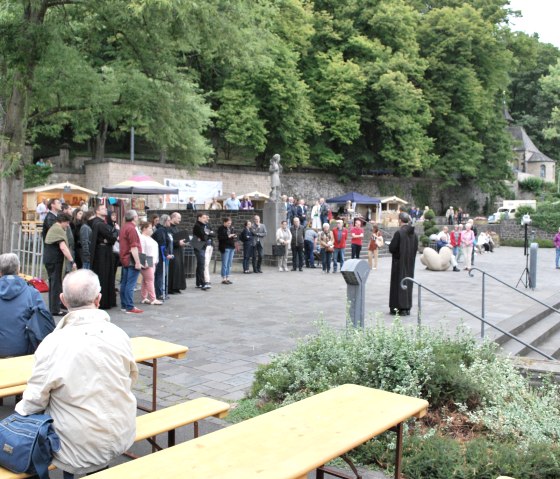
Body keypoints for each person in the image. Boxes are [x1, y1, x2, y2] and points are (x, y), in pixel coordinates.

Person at [15, 269, 138, 477]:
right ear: (98, 299)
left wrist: (16, 417)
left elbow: (34, 401)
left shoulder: (53, 344)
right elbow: (131, 379)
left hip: (75, 447)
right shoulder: (120, 335)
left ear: (62, 300)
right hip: (122, 434)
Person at [0, 253, 54, 357]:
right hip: (24, 351)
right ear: (19, 270)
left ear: (0, 272)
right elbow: (45, 323)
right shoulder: (33, 293)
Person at [44, 213, 77, 316]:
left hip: (50, 260)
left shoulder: (54, 228)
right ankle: (55, 309)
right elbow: (63, 247)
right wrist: (71, 261)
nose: (67, 225)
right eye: (67, 223)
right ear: (62, 221)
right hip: (54, 260)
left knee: (53, 284)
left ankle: (54, 307)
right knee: (55, 285)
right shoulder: (58, 229)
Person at [389, 212, 418, 316]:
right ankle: (407, 307)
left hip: (399, 264)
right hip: (410, 263)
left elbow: (392, 248)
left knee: (398, 284)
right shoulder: (414, 234)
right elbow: (415, 248)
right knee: (408, 284)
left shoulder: (399, 233)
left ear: (400, 220)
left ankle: (398, 308)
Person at [89, 204, 117, 309]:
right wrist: (111, 237)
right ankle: (103, 301)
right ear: (97, 211)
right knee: (103, 275)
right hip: (102, 253)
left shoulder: (102, 223)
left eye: (105, 208)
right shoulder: (98, 224)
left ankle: (107, 300)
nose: (105, 210)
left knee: (107, 275)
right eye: (102, 209)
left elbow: (111, 236)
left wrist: (110, 237)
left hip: (105, 251)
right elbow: (112, 236)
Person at [119, 209, 143, 313]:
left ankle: (124, 305)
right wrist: (138, 262)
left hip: (124, 258)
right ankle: (129, 306)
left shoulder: (124, 227)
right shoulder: (132, 229)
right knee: (130, 284)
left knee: (124, 283)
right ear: (134, 217)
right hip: (131, 259)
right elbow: (134, 247)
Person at [138, 222, 162, 305]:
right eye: (150, 228)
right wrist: (144, 262)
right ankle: (153, 298)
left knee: (146, 280)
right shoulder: (142, 238)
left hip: (152, 260)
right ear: (144, 228)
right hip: (147, 260)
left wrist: (156, 260)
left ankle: (144, 297)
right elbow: (142, 250)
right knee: (150, 280)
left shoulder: (149, 238)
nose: (151, 230)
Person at [192, 213, 213, 290]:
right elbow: (203, 237)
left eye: (205, 217)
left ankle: (199, 283)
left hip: (202, 246)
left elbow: (212, 234)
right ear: (199, 218)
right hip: (198, 246)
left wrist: (207, 234)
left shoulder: (204, 225)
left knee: (200, 264)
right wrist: (207, 234)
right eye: (204, 217)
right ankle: (203, 282)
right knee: (201, 264)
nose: (205, 219)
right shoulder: (197, 226)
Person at [168, 212, 187, 294]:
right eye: (178, 218)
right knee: (173, 269)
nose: (180, 220)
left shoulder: (176, 228)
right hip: (173, 251)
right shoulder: (168, 228)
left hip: (178, 251)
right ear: (173, 218)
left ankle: (177, 287)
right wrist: (178, 242)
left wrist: (182, 242)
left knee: (178, 269)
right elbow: (170, 240)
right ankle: (171, 288)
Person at [217, 217, 236, 284]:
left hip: (231, 247)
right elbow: (220, 238)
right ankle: (223, 278)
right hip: (225, 247)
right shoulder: (221, 228)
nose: (229, 224)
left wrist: (233, 236)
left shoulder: (231, 228)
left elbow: (232, 236)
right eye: (228, 223)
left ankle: (227, 277)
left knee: (229, 263)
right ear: (224, 222)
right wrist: (228, 236)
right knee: (225, 263)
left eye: (230, 223)